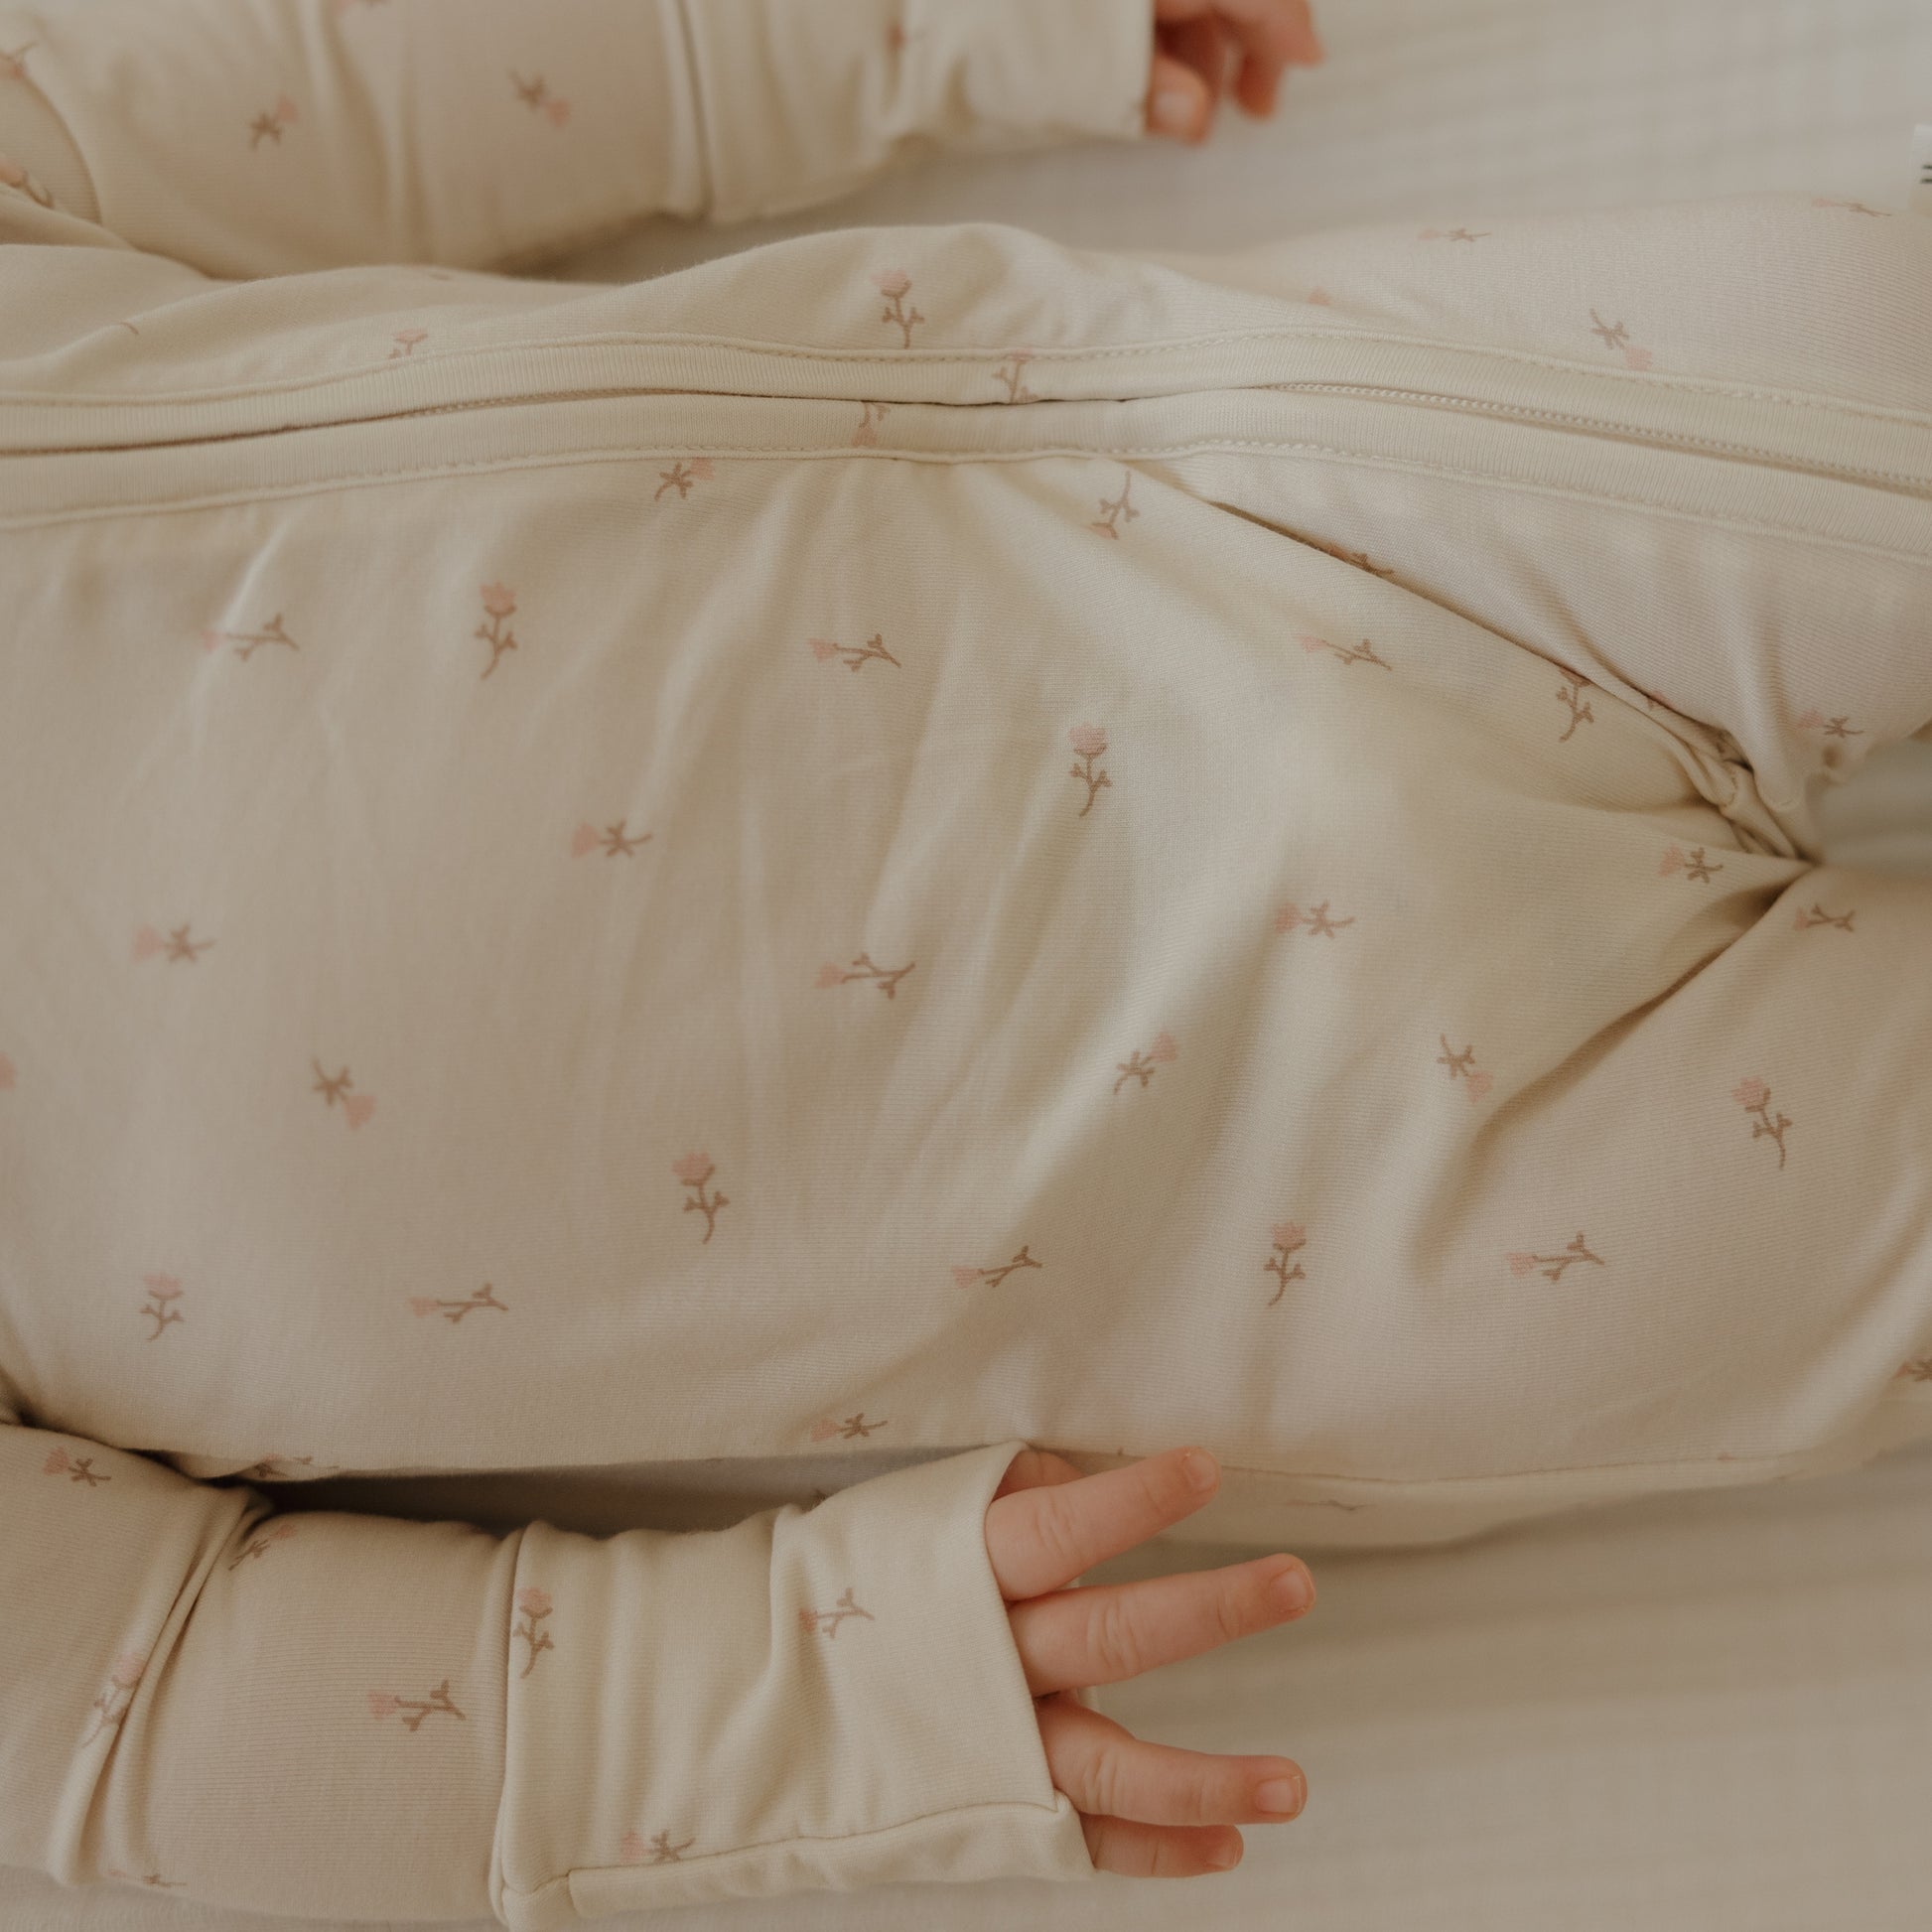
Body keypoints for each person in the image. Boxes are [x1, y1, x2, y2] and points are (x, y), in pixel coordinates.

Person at [1, 0, 1928, 1922]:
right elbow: (142, 1708)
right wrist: (827, 1692)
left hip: (1246, 496)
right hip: (1287, 1220)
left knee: (1872, 348)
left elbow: (349, 81)